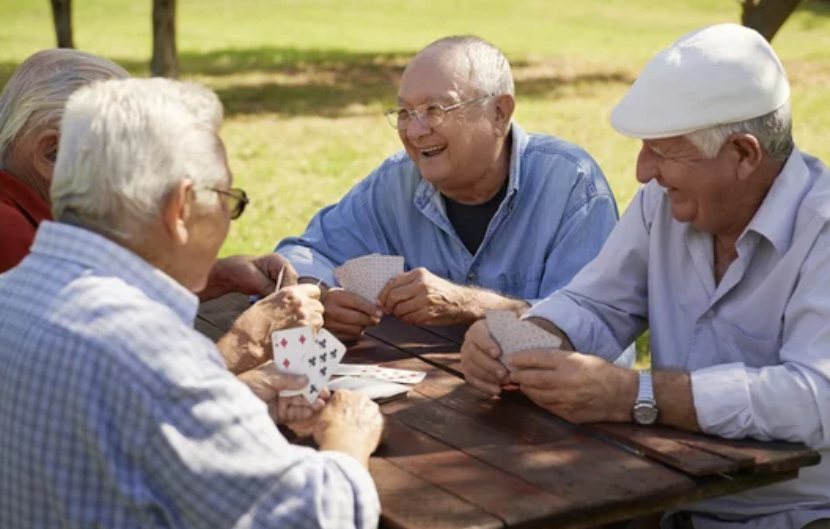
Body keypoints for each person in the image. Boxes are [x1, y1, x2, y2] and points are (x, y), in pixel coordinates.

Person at [461, 24, 830, 528]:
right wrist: (527, 335)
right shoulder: (663, 203)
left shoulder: (822, 231)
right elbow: (598, 303)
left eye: (664, 151)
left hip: (795, 512)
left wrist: (638, 395)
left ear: (743, 154)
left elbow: (816, 399)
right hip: (663, 494)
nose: (641, 171)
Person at [0, 78, 383, 528]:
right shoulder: (153, 352)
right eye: (227, 200)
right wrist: (348, 436)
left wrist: (237, 397)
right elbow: (315, 516)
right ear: (182, 207)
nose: (227, 221)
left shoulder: (14, 293)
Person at [277, 35, 620, 341]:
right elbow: (304, 253)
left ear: (499, 113)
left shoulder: (572, 185)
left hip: (538, 406)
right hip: (425, 402)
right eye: (405, 112)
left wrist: (471, 305)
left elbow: (594, 331)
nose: (414, 132)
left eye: (434, 109)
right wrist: (321, 296)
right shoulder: (396, 182)